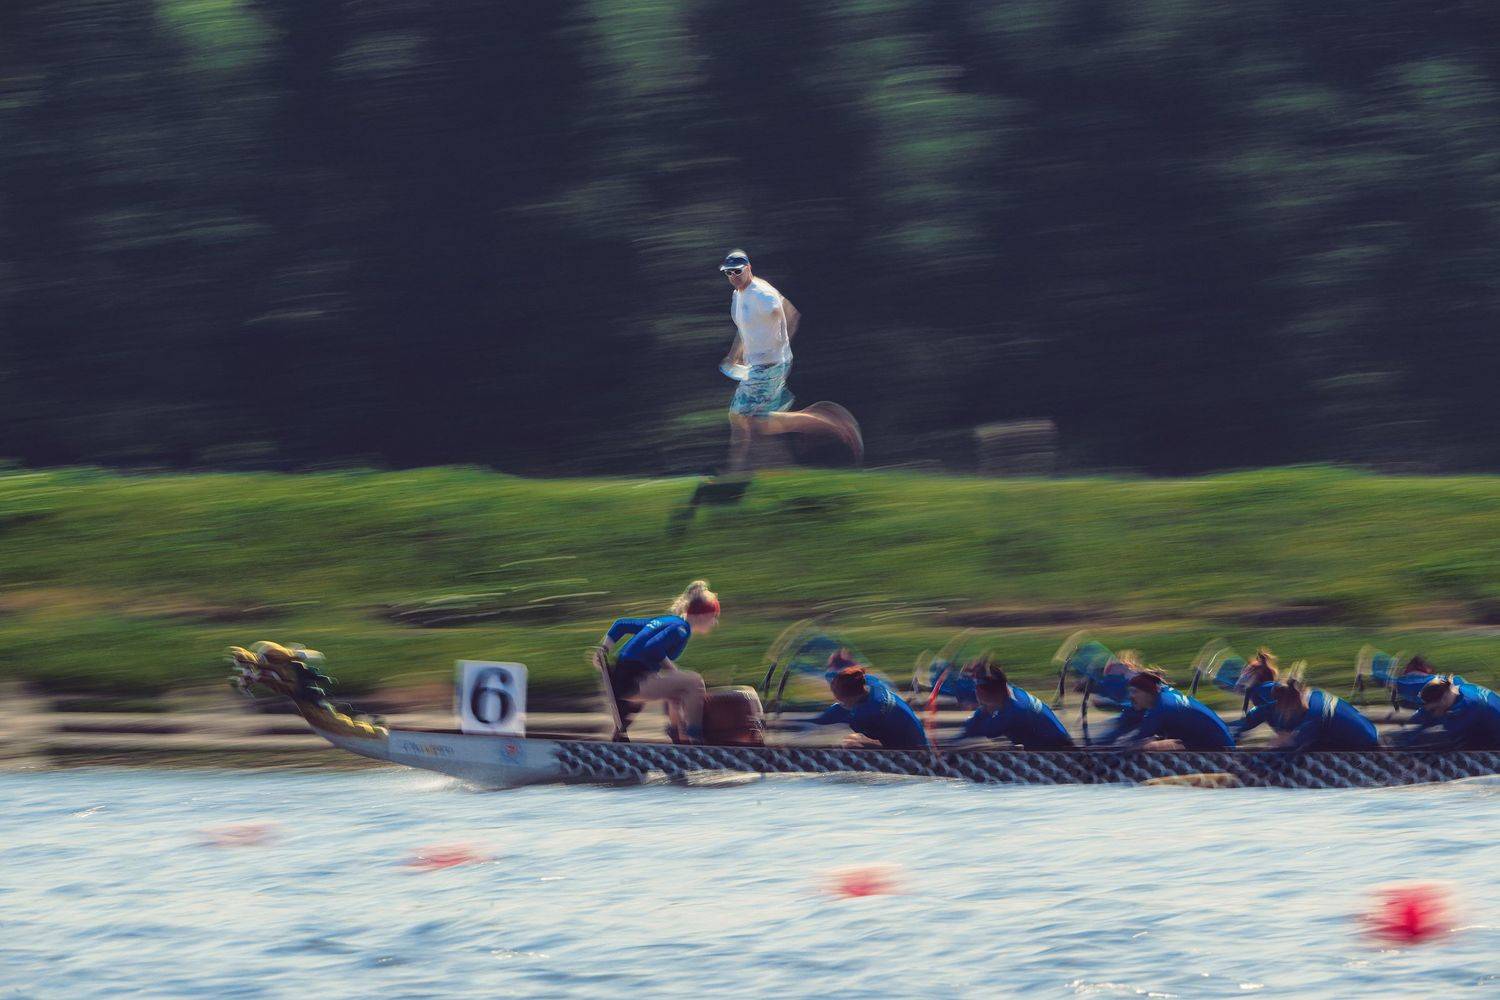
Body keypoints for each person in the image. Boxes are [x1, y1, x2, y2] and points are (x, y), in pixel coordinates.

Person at [718, 249, 863, 471]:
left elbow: (790, 314)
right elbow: (745, 329)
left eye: (737, 271)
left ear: (748, 268)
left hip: (770, 365)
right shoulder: (738, 295)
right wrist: (734, 355)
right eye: (728, 272)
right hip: (756, 366)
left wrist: (777, 348)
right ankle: (736, 472)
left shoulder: (762, 294)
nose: (733, 276)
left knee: (747, 419)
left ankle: (838, 427)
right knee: (746, 419)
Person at [592, 580, 719, 743]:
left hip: (622, 677)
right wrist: (674, 671)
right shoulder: (681, 629)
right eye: (714, 617)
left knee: (679, 689)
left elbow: (621, 625)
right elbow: (653, 648)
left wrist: (603, 648)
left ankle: (678, 735)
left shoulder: (667, 621)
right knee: (695, 682)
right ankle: (696, 736)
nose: (715, 622)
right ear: (702, 615)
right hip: (633, 680)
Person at [950, 656, 1074, 749]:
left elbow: (984, 730)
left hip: (1059, 750)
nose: (975, 693)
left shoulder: (1015, 710)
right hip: (1047, 746)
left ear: (988, 691)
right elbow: (974, 725)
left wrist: (958, 738)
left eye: (977, 689)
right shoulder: (1008, 691)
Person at [806, 665, 930, 750]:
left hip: (911, 751)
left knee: (850, 743)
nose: (836, 699)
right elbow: (851, 677)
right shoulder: (873, 682)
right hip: (918, 736)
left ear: (850, 697)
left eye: (839, 696)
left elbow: (835, 715)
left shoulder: (864, 716)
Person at [1101, 672, 1235, 750]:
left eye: (1135, 692)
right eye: (1130, 692)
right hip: (1220, 740)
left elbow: (1136, 742)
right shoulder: (1164, 694)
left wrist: (1112, 749)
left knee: (1146, 747)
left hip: (1219, 748)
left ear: (1148, 692)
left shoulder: (1162, 707)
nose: (1131, 696)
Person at [1235, 678, 1379, 750]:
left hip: (1365, 744)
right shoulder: (1312, 694)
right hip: (1371, 730)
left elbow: (1289, 745)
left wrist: (1279, 743)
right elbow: (1250, 720)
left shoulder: (1314, 715)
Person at [1395, 676, 1500, 750]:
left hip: (1494, 735)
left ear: (1443, 699)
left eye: (1434, 709)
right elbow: (1426, 713)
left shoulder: (1468, 706)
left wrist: (1412, 736)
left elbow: (1450, 734)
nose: (1433, 712)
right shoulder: (1452, 689)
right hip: (1485, 719)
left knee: (1448, 745)